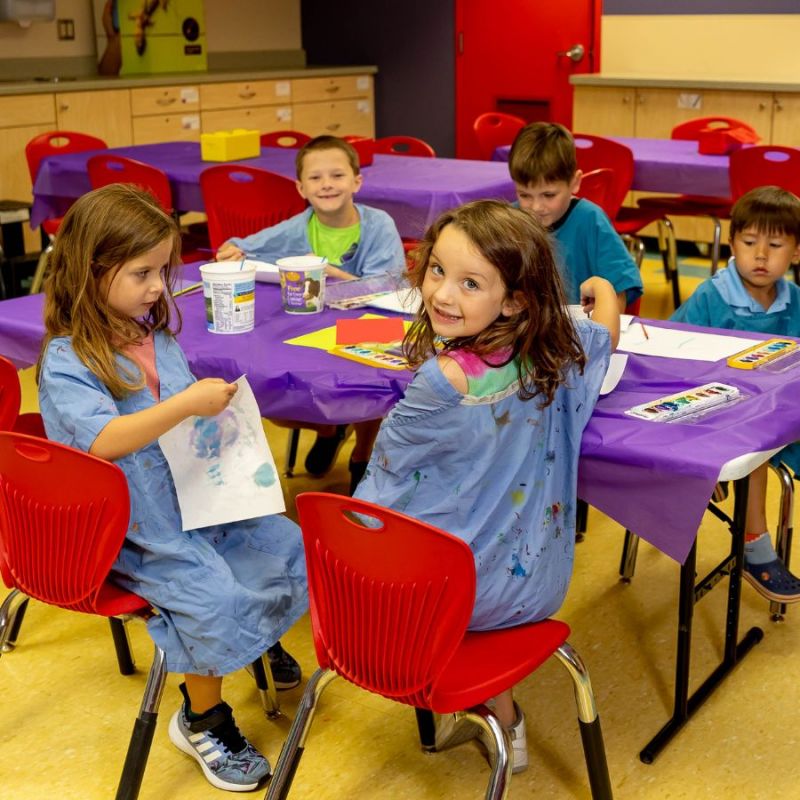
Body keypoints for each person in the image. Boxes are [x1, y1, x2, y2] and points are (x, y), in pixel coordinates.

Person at [36, 184, 309, 792]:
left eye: (163, 269)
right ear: (91, 271)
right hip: (133, 526)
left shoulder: (152, 335)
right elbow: (101, 441)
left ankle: (254, 637)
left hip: (196, 500)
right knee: (210, 595)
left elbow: (181, 424)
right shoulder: (67, 359)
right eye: (143, 273)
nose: (159, 286)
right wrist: (188, 402)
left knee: (286, 543)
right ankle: (202, 717)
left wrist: (219, 421)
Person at [353, 200, 620, 772]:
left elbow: (381, 489)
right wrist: (606, 294)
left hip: (454, 598)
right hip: (538, 582)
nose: (443, 294)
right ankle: (507, 725)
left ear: (516, 299)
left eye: (469, 283)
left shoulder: (443, 379)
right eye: (437, 271)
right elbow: (602, 337)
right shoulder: (559, 351)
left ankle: (487, 717)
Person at [217, 135, 406, 492]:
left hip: (370, 329)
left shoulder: (378, 225)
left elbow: (393, 286)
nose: (327, 185)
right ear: (301, 188)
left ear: (356, 182)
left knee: (369, 382)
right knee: (271, 379)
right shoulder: (298, 226)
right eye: (316, 178)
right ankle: (330, 428)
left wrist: (337, 277)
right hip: (312, 331)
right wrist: (234, 250)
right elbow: (249, 245)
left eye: (337, 175)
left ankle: (361, 452)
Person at [671, 185, 800, 604]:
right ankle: (754, 545)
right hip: (721, 419)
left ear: (796, 253)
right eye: (749, 243)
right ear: (732, 244)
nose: (761, 255)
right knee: (756, 445)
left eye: (775, 245)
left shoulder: (795, 300)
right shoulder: (712, 296)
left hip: (783, 420)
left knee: (763, 437)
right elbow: (674, 351)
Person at [508, 121, 642, 313]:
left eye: (549, 195)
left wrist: (603, 325)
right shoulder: (510, 221)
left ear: (575, 182)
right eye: (524, 195)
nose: (536, 207)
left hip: (580, 334)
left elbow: (619, 289)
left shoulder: (590, 220)